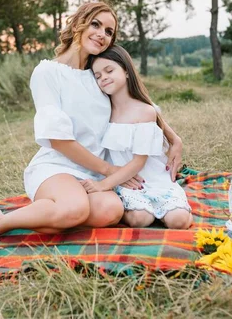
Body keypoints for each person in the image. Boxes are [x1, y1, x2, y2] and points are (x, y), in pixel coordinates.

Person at [0, 2, 184, 234]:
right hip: (58, 166)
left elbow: (136, 104)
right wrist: (110, 170)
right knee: (74, 209)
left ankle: (52, 213)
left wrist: (174, 138)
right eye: (96, 24)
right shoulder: (47, 72)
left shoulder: (99, 74)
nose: (102, 35)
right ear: (79, 23)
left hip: (93, 173)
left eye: (109, 32)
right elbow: (57, 140)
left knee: (112, 211)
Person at [81, 45, 193, 229]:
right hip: (128, 182)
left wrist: (103, 185)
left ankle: (173, 209)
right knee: (140, 220)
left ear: (126, 71)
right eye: (98, 76)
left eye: (109, 70)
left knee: (178, 221)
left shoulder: (145, 111)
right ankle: (146, 211)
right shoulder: (103, 110)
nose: (104, 78)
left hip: (155, 178)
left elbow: (139, 162)